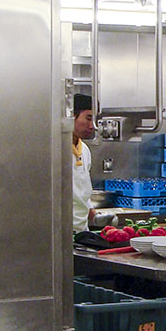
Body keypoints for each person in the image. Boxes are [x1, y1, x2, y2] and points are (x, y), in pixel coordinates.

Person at [72, 93, 96, 234]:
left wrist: (91, 211)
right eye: (88, 118)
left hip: (82, 230)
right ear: (71, 116)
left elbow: (81, 189)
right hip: (62, 231)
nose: (92, 125)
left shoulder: (85, 150)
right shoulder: (56, 151)